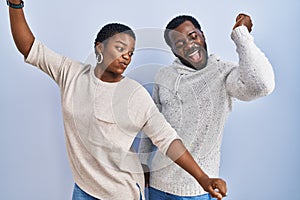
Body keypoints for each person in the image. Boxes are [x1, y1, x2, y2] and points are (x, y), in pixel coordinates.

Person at [7, 1, 228, 200]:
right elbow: (29, 47)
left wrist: (202, 178)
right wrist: (15, 5)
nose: (126, 56)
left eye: (130, 53)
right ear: (99, 48)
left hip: (121, 192)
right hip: (83, 188)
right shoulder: (71, 73)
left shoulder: (134, 94)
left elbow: (168, 140)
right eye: (120, 48)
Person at [138, 14, 275, 199]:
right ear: (173, 51)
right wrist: (144, 164)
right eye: (179, 44)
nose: (189, 45)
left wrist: (241, 35)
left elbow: (262, 85)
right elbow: (150, 124)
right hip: (157, 185)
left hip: (198, 190)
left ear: (202, 35)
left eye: (193, 36)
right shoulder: (164, 76)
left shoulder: (223, 73)